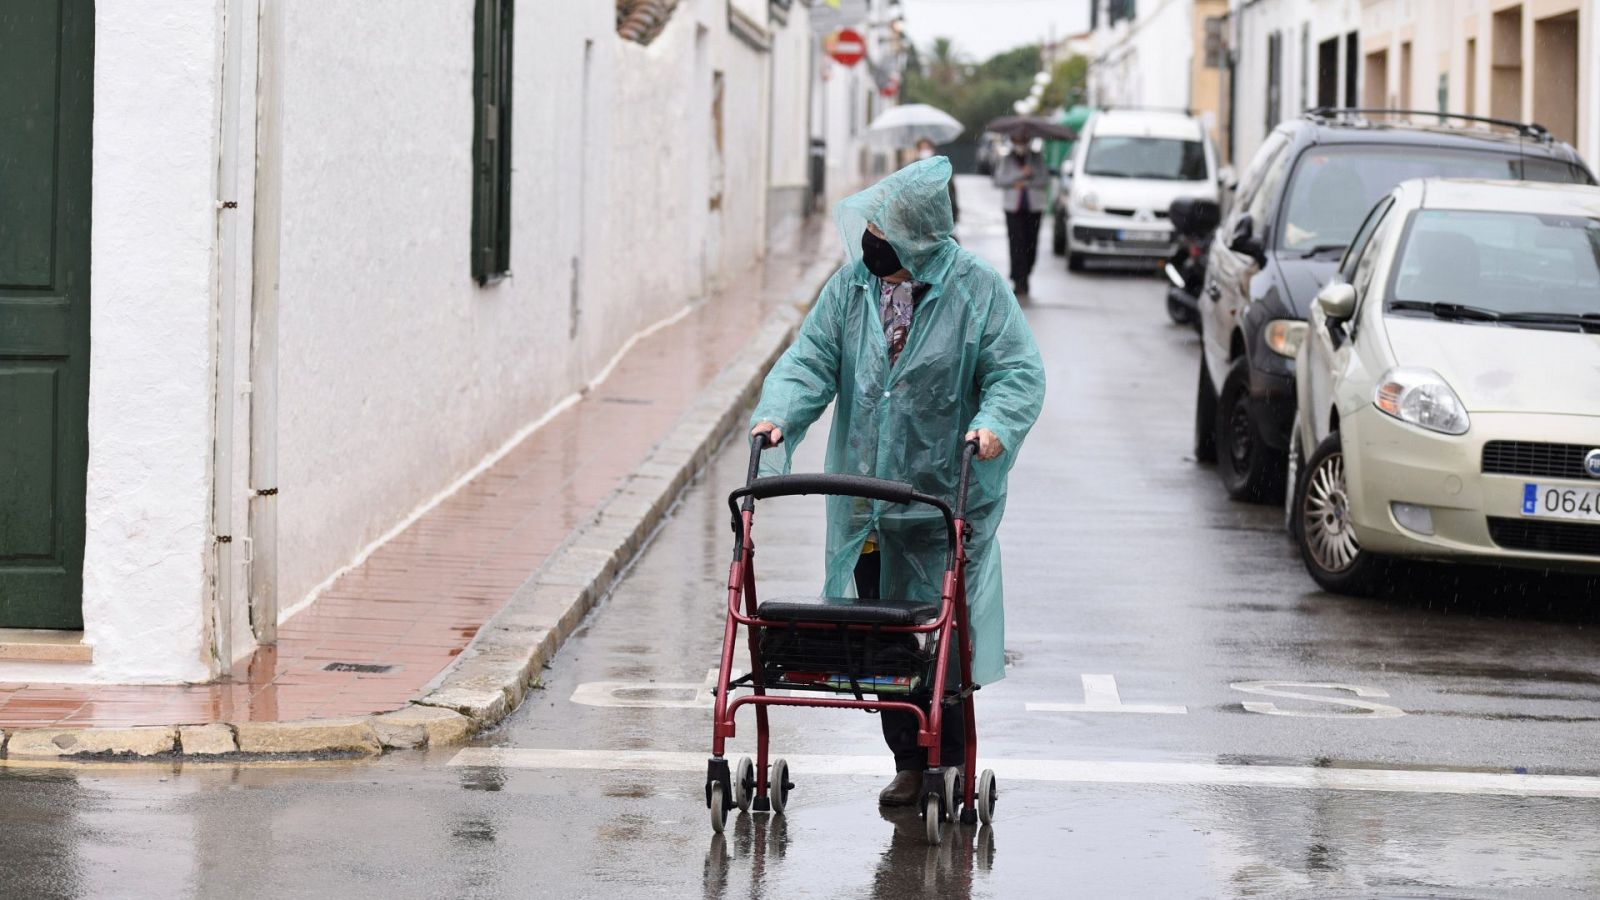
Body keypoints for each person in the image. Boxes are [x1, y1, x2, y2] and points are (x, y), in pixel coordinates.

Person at [748, 156, 1045, 807]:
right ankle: (910, 762)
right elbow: (811, 360)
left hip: (943, 504)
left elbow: (1017, 373)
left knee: (946, 649)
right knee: (887, 646)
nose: (871, 240)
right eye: (872, 225)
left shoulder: (976, 291)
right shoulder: (852, 289)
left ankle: (952, 766)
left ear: (918, 234)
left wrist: (994, 424)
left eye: (884, 227)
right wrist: (778, 416)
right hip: (868, 506)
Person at [991, 138, 1050, 296]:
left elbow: (1044, 179)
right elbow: (998, 180)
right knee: (1016, 244)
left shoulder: (1037, 157)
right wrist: (1020, 174)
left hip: (1034, 208)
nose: (1020, 143)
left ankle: (1026, 274)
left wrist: (1026, 183)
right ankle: (1018, 279)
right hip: (1013, 209)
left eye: (1022, 140)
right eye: (1016, 140)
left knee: (1031, 243)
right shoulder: (1006, 159)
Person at [913, 138, 959, 225]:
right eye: (922, 148)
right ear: (918, 150)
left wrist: (954, 213)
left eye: (927, 148)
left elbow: (951, 190)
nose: (925, 151)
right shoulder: (914, 167)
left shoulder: (941, 165)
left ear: (932, 149)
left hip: (940, 211)